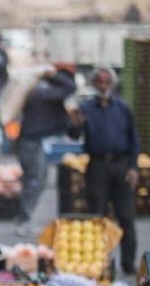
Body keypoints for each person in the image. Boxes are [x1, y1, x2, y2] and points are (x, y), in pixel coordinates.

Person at [68, 67, 139, 275]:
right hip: (97, 165)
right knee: (96, 216)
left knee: (125, 216)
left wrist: (134, 167)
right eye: (99, 81)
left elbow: (134, 139)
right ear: (93, 84)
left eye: (107, 81)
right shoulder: (85, 108)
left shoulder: (123, 108)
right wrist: (75, 124)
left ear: (113, 84)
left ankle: (128, 263)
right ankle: (101, 262)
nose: (103, 85)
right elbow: (74, 134)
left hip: (122, 165)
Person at [13, 66, 77, 236]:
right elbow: (70, 87)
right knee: (36, 181)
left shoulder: (41, 92)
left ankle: (24, 218)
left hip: (33, 142)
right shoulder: (44, 94)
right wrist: (54, 75)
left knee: (36, 180)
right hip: (31, 143)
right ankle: (23, 220)